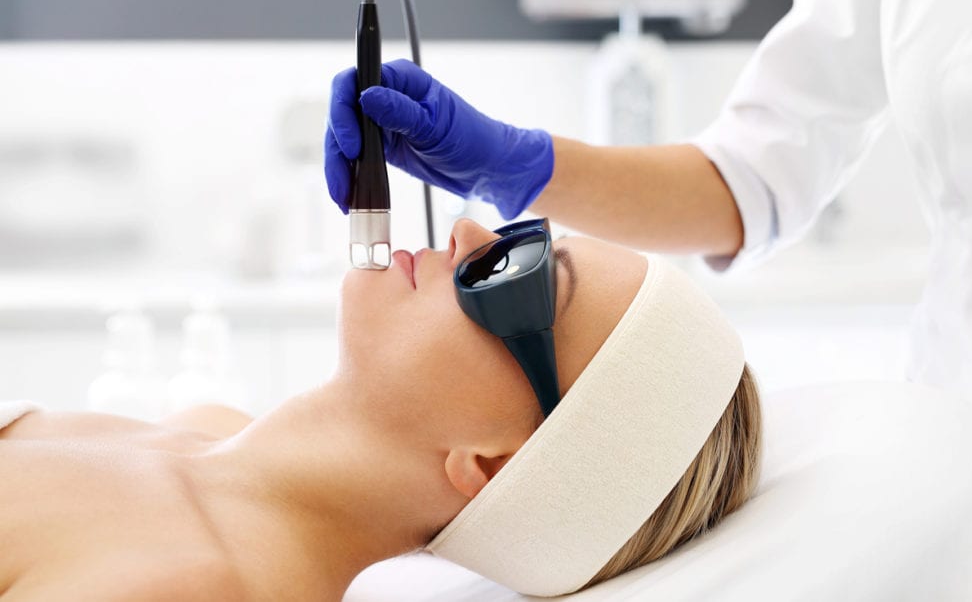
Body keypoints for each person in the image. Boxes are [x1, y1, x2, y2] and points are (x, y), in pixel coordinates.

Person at [325, 0, 972, 445]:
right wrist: (507, 163)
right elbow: (752, 177)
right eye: (534, 271)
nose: (469, 235)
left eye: (549, 280)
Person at [0, 219, 761, 601]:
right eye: (521, 234)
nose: (469, 233)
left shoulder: (189, 585)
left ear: (492, 464)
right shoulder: (206, 430)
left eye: (518, 278)